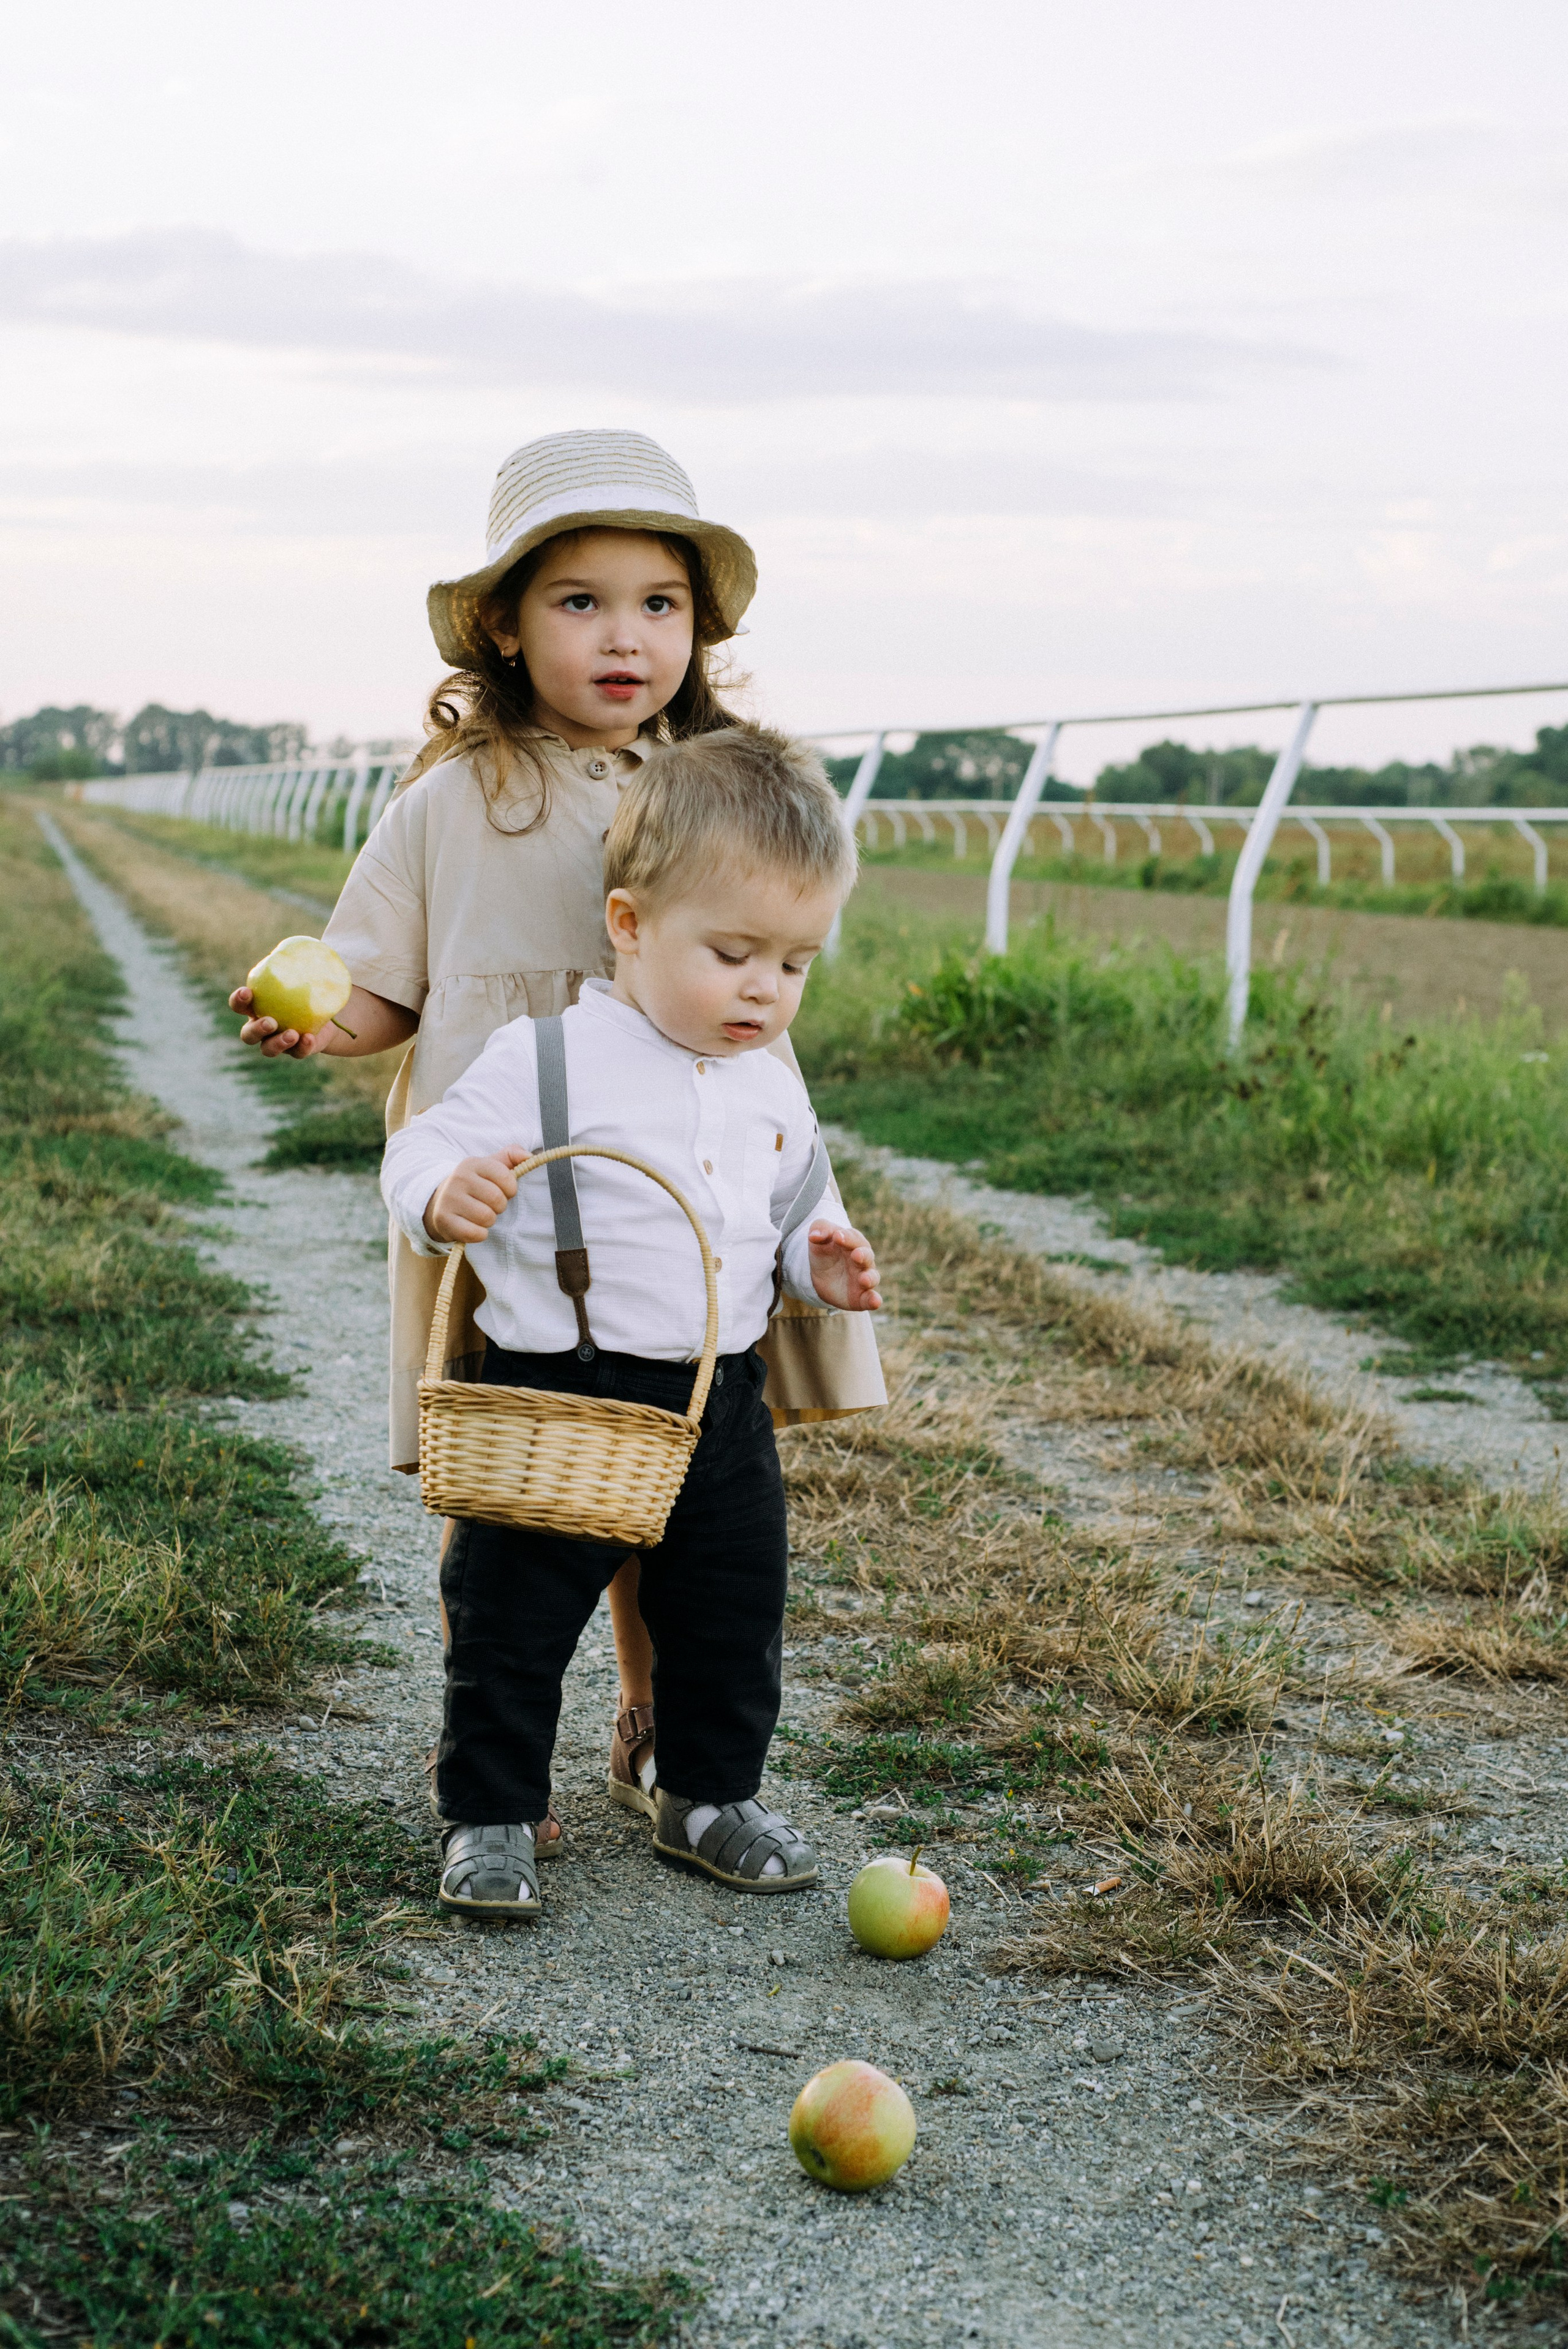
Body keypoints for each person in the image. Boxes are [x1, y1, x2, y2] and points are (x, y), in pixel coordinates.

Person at [228, 430, 884, 1852]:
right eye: (579, 601)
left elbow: (765, 962)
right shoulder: (454, 801)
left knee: (688, 1455)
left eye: (658, 603)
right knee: (535, 1466)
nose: (624, 634)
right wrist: (318, 1025)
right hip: (512, 1176)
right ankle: (495, 1737)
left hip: (672, 1172)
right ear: (505, 628)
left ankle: (656, 1721)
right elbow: (384, 989)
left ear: (697, 630)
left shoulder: (712, 783)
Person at [382, 725, 881, 1916]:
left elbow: (791, 1218)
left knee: (730, 1602)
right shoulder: (548, 1056)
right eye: (733, 952)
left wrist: (824, 1268)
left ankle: (706, 1792)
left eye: (796, 962)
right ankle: (490, 1811)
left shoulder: (768, 1082)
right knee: (513, 1614)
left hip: (716, 1397)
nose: (765, 988)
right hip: (562, 1386)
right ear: (626, 925)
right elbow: (424, 1148)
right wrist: (444, 1197)